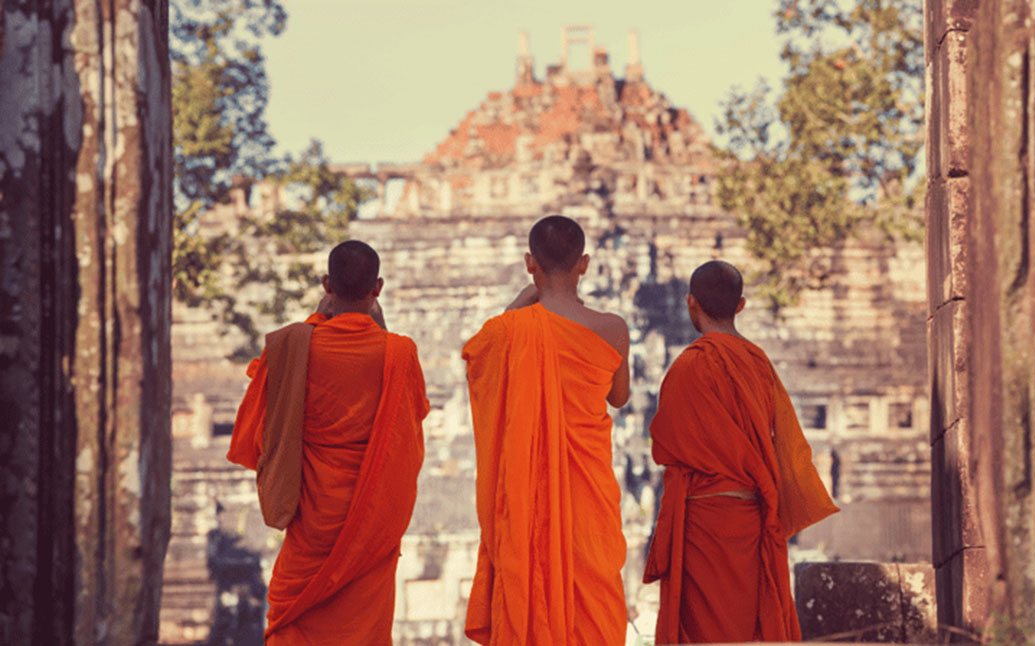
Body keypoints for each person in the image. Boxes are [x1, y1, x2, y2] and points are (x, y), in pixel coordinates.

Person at [227, 240, 428, 645]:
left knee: (294, 623)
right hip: (370, 522)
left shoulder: (289, 346)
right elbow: (410, 421)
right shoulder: (399, 352)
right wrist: (380, 329)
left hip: (311, 520)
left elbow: (255, 434)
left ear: (326, 284)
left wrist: (316, 317)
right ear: (378, 288)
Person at [643, 260, 839, 644]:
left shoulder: (688, 366)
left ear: (690, 303)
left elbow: (666, 444)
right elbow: (783, 438)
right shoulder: (758, 364)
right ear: (742, 304)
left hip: (704, 521)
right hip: (751, 516)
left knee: (704, 632)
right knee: (751, 626)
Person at [462, 215, 631, 645]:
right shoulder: (612, 328)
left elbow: (482, 358)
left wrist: (518, 305)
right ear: (585, 264)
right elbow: (619, 397)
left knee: (526, 578)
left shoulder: (508, 330)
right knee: (593, 589)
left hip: (525, 492)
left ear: (529, 263)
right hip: (587, 495)